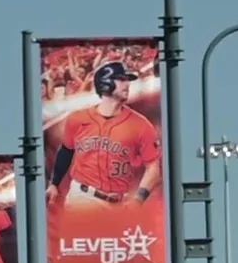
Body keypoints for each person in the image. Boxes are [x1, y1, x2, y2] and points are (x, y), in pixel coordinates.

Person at [46, 61, 163, 207]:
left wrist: (139, 198)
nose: (127, 85)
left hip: (119, 203)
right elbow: (66, 151)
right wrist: (54, 184)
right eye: (121, 79)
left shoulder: (141, 124)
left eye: (127, 80)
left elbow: (153, 166)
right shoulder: (78, 118)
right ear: (105, 83)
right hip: (83, 197)